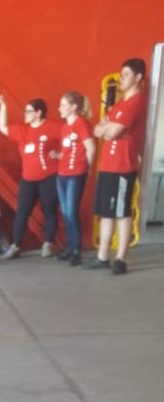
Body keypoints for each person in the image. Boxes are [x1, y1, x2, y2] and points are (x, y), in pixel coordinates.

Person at [86, 58, 147, 275]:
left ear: (138, 78)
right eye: (121, 75)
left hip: (123, 166)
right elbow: (97, 130)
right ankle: (102, 256)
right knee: (106, 213)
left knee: (122, 212)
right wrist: (107, 128)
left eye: (127, 75)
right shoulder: (120, 104)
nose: (122, 79)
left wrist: (108, 128)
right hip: (108, 165)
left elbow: (111, 132)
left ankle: (121, 259)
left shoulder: (136, 102)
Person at [0, 94, 60, 258]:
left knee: (49, 211)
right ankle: (15, 245)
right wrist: (3, 106)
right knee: (22, 212)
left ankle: (48, 244)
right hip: (28, 179)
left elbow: (72, 138)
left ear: (38, 113)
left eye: (28, 111)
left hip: (48, 177)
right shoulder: (23, 130)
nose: (25, 114)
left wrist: (61, 155)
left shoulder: (52, 127)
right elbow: (3, 128)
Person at [54, 92, 95, 266]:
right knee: (65, 212)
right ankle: (70, 247)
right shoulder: (65, 127)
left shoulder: (81, 124)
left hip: (76, 173)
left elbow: (90, 148)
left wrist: (88, 168)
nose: (60, 109)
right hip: (62, 173)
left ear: (74, 107)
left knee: (71, 212)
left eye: (63, 105)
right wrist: (58, 155)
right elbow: (68, 151)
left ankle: (76, 250)